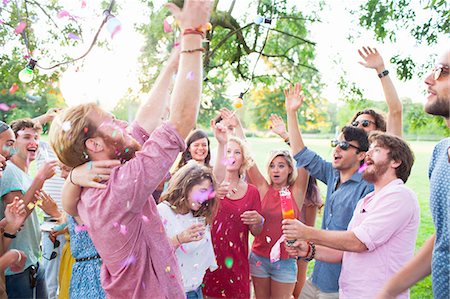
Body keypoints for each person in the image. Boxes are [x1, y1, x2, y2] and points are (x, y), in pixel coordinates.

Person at [49, 1, 212, 298]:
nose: (121, 123)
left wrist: (172, 63)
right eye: (111, 121)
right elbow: (181, 121)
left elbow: (142, 124)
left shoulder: (102, 175)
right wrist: (193, 35)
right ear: (95, 145)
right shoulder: (118, 187)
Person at [284, 132, 419, 298]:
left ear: (396, 162)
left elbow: (359, 242)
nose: (367, 154)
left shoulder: (399, 196)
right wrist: (308, 250)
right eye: (368, 150)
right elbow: (345, 252)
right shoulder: (367, 200)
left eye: (376, 150)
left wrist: (307, 232)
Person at [285, 83, 373, 298]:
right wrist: (291, 112)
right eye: (336, 143)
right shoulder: (332, 173)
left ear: (361, 155)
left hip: (342, 286)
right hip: (317, 279)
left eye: (344, 146)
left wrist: (308, 236)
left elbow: (358, 241)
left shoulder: (368, 188)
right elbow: (301, 153)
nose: (337, 148)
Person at [376, 50, 450, 298]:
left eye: (442, 71)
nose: (428, 78)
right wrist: (388, 291)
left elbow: (395, 113)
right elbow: (443, 238)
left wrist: (381, 71)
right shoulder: (440, 154)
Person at [0, 119, 60, 298]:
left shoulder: (23, 174)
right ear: (14, 143)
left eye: (36, 137)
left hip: (30, 262)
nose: (34, 142)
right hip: (16, 269)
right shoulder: (9, 171)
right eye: (26, 137)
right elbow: (19, 217)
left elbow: (29, 207)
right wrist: (40, 178)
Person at [268, 113, 323, 297]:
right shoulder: (272, 191)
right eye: (273, 166)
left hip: (299, 250)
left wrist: (286, 135)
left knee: (297, 292)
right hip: (271, 256)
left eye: (282, 165)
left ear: (290, 168)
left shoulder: (300, 193)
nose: (276, 170)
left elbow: (304, 161)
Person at [203, 135, 263, 299]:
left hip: (237, 263)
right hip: (209, 261)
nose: (231, 155)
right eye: (228, 151)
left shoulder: (252, 192)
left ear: (243, 159)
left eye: (237, 152)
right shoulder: (210, 187)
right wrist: (212, 195)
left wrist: (258, 220)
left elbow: (256, 231)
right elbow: (197, 215)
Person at [157, 161, 218, 298]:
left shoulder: (198, 216)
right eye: (202, 191)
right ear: (186, 185)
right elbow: (152, 253)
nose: (205, 198)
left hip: (196, 291)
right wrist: (179, 239)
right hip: (172, 293)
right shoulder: (162, 212)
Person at [351, 46, 403, 137]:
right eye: (355, 124)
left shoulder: (387, 147)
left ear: (379, 129)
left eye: (365, 123)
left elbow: (395, 111)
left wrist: (380, 69)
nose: (359, 127)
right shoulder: (345, 147)